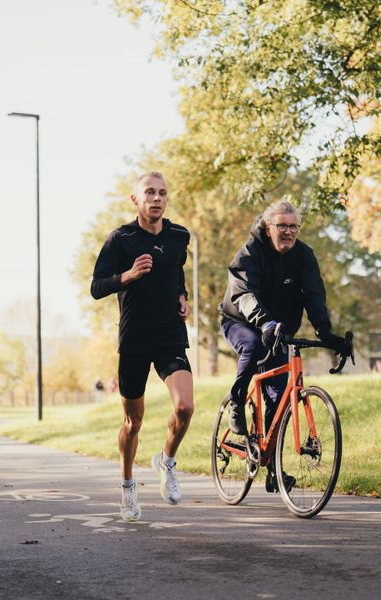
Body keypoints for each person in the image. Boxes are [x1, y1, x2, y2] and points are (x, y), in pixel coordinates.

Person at [219, 197, 350, 492]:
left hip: (279, 331)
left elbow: (314, 295)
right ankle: (238, 400)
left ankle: (274, 467)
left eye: (294, 227)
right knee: (252, 347)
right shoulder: (250, 252)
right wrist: (264, 322)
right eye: (282, 226)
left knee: (280, 400)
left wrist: (327, 334)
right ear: (268, 227)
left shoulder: (304, 255)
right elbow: (244, 294)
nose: (289, 232)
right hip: (241, 321)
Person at [90, 171, 194, 522]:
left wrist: (183, 296)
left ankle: (166, 460)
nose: (156, 198)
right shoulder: (121, 239)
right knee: (133, 422)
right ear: (135, 199)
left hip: (169, 334)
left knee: (185, 408)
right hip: (134, 337)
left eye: (162, 193)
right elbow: (96, 286)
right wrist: (128, 276)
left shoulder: (180, 236)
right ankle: (127, 485)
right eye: (149, 192)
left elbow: (176, 272)